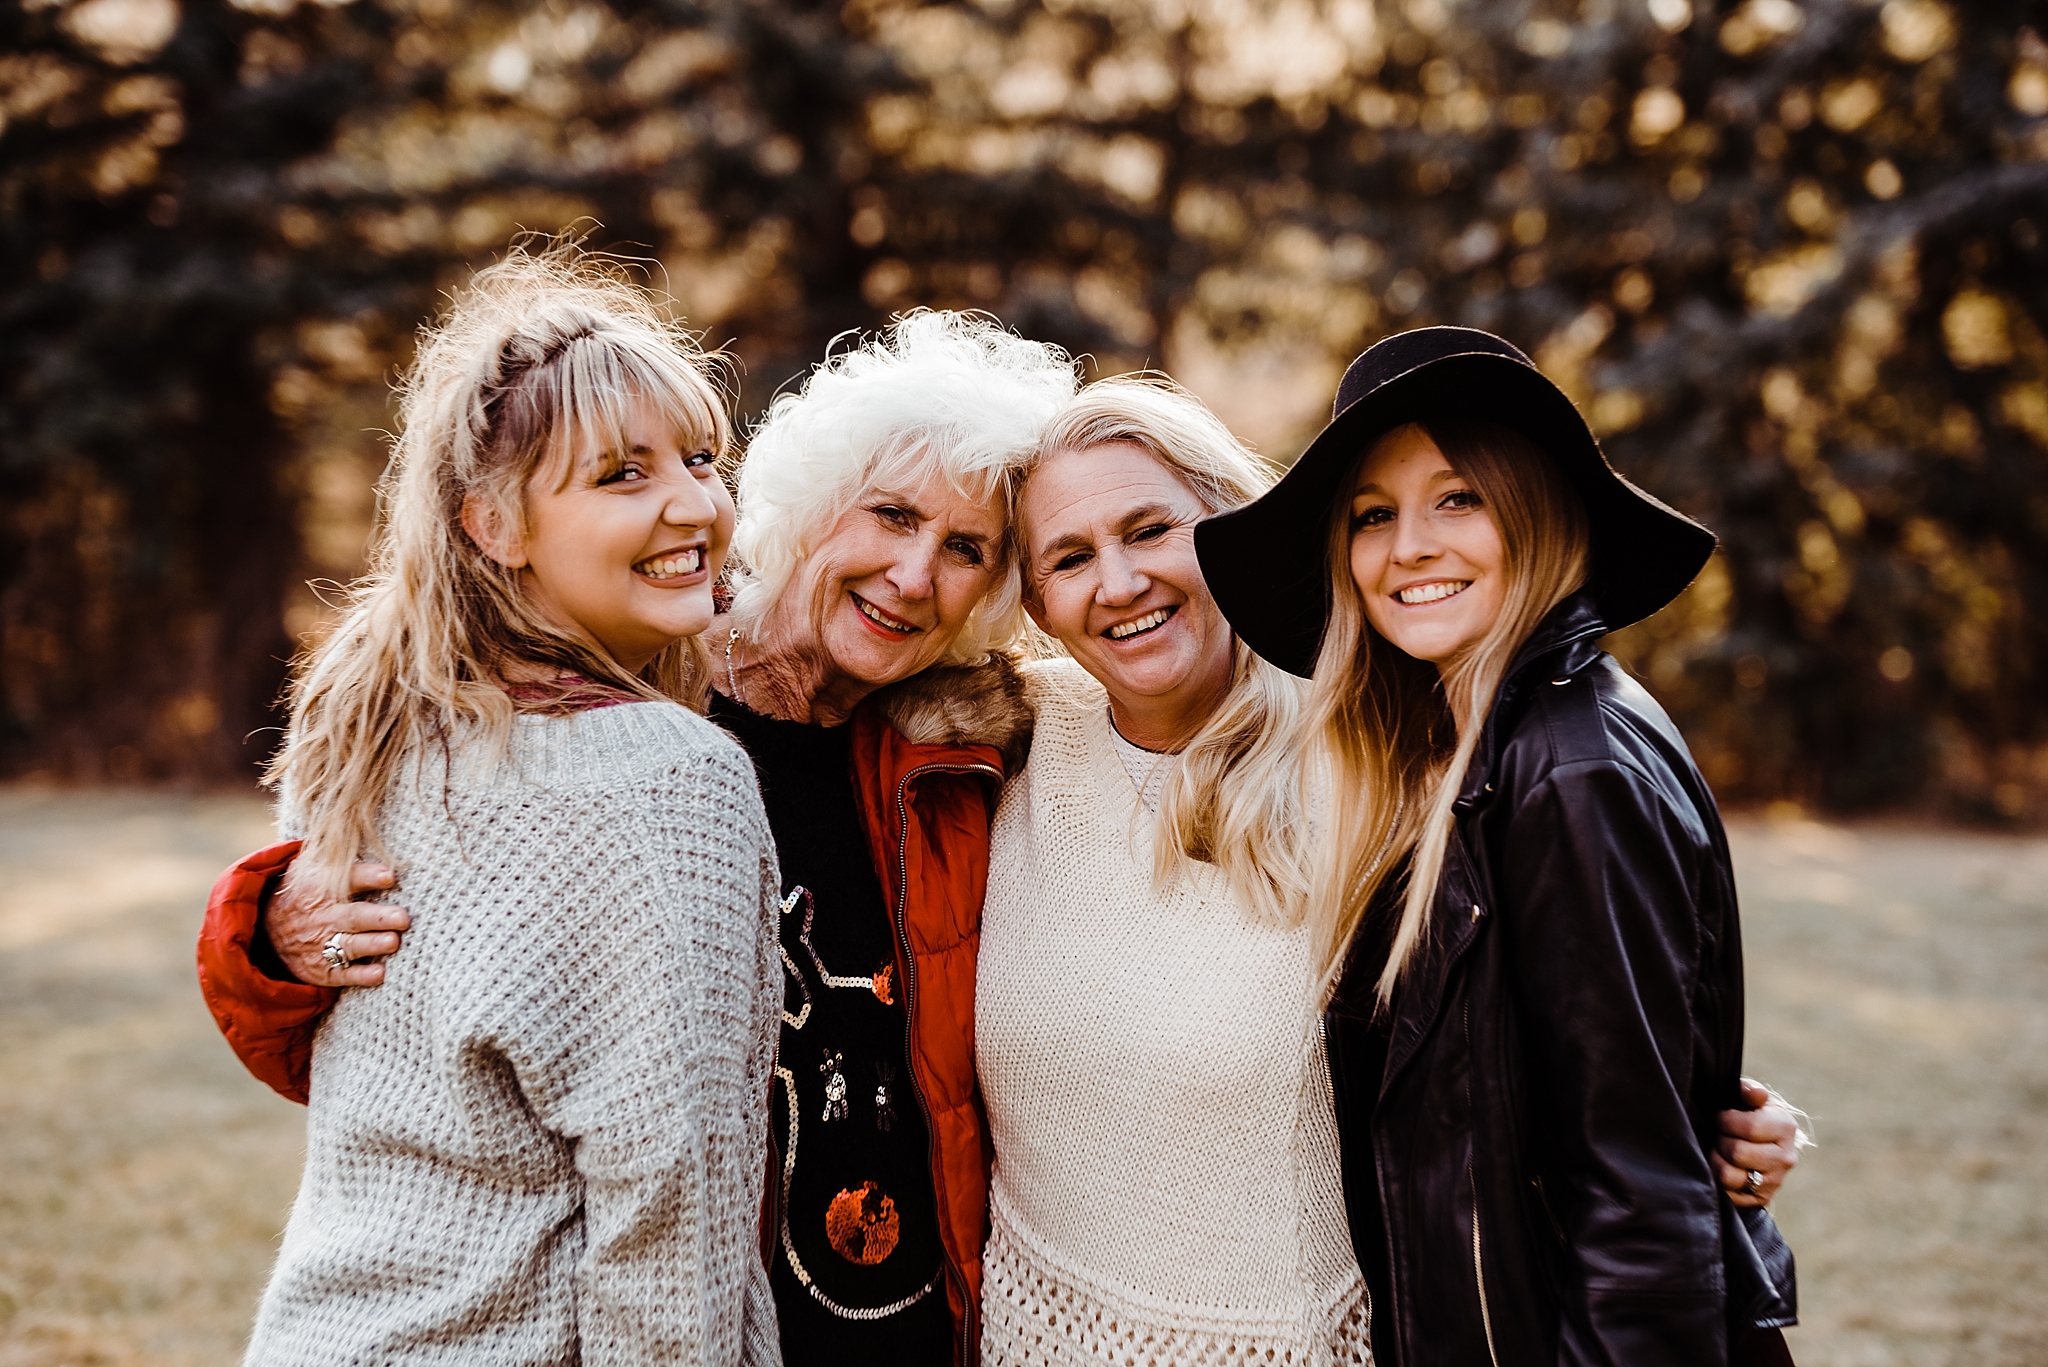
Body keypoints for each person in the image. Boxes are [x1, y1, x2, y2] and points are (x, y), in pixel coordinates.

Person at [198, 308, 1074, 1367]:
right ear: (809, 504)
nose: (914, 573)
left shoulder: (967, 764)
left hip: (892, 1315)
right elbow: (417, 1062)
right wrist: (264, 929)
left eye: (966, 548)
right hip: (681, 1316)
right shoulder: (619, 698)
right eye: (890, 514)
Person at [1194, 326, 1800, 1367]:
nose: (1409, 547)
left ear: (1535, 511)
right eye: (1372, 514)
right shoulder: (1449, 765)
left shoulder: (1570, 772)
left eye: (1457, 498)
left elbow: (1637, 1197)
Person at [223, 244, 785, 1365]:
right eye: (621, 475)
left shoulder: (367, 718)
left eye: (700, 458)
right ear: (495, 524)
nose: (694, 504)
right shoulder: (673, 779)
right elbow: (672, 1204)